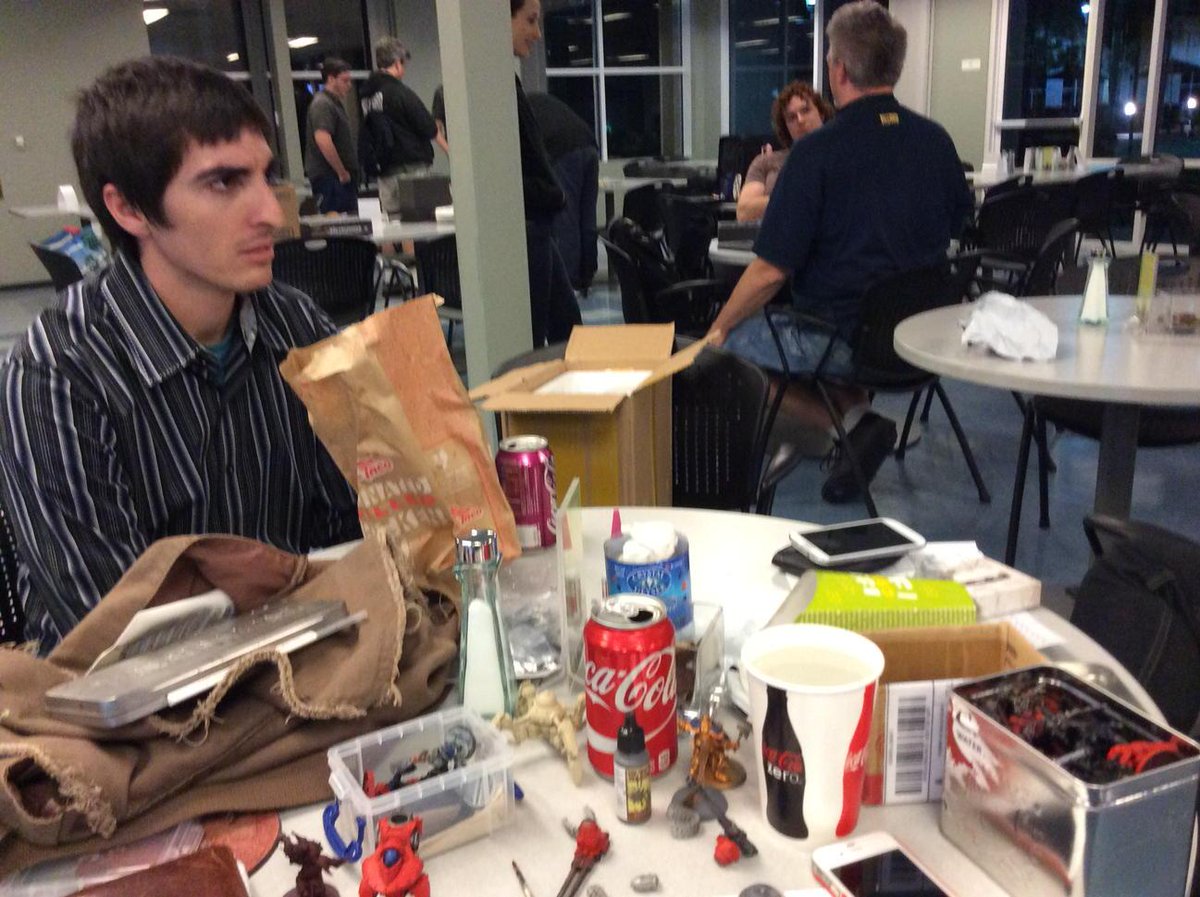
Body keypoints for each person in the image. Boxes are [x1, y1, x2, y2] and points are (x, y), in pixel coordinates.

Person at [0, 56, 361, 654]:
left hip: (310, 650)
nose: (272, 213)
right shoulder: (58, 372)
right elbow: (111, 631)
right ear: (128, 209)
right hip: (136, 699)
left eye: (265, 176)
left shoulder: (296, 324)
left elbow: (364, 519)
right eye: (223, 183)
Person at [708, 0, 973, 503]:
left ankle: (849, 428)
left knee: (731, 350)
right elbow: (958, 225)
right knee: (823, 327)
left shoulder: (815, 154)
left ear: (840, 70)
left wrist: (717, 330)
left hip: (848, 342)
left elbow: (769, 272)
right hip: (923, 341)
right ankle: (858, 424)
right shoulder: (937, 142)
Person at [511, 0, 583, 346]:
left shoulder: (508, 83)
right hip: (527, 229)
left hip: (538, 226)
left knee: (568, 331)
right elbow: (502, 177)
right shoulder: (492, 89)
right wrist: (552, 194)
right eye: (530, 21)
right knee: (533, 341)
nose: (537, 33)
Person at [527, 91, 600, 292]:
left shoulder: (514, 113)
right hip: (588, 144)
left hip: (562, 150)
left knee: (566, 221)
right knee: (587, 216)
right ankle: (587, 274)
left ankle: (569, 285)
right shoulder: (534, 101)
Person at [360, 38, 440, 218]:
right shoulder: (399, 92)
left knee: (392, 221)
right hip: (411, 169)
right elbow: (429, 127)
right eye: (403, 64)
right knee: (420, 223)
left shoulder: (367, 95)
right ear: (397, 63)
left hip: (384, 170)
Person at [736, 82, 833, 222]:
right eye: (792, 117)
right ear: (786, 127)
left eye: (806, 110)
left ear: (821, 114)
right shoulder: (766, 162)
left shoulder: (841, 158)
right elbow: (744, 212)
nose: (800, 120)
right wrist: (795, 199)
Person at [304, 57, 359, 214]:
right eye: (344, 81)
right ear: (330, 79)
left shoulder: (334, 103)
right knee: (337, 222)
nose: (349, 85)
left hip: (336, 177)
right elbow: (323, 139)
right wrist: (341, 171)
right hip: (331, 177)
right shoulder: (323, 104)